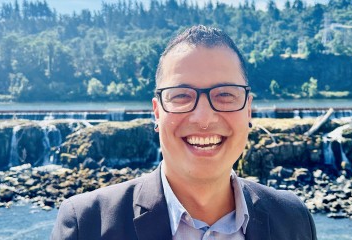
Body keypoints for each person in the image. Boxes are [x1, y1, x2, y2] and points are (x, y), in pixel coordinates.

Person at [51, 25, 317, 240]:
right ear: (157, 112)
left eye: (225, 94)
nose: (203, 118)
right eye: (181, 96)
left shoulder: (293, 219)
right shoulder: (87, 225)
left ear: (248, 110)